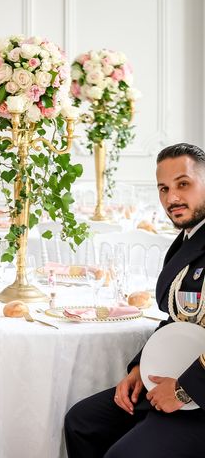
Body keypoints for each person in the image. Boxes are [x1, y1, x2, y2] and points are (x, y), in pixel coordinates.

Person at [64, 143, 205, 457]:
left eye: (184, 184)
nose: (172, 198)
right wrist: (141, 368)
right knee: (81, 421)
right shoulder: (188, 238)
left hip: (199, 395)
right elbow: (179, 319)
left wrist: (184, 390)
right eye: (163, 189)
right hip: (173, 375)